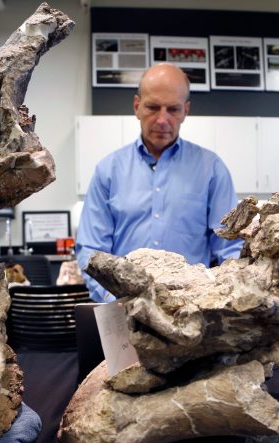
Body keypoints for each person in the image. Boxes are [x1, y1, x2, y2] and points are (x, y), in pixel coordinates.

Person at [76, 63, 243, 302]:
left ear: (186, 111)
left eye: (173, 109)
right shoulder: (108, 171)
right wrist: (112, 300)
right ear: (137, 106)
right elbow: (92, 251)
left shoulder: (211, 169)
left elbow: (230, 248)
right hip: (122, 307)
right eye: (153, 107)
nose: (162, 119)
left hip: (192, 309)